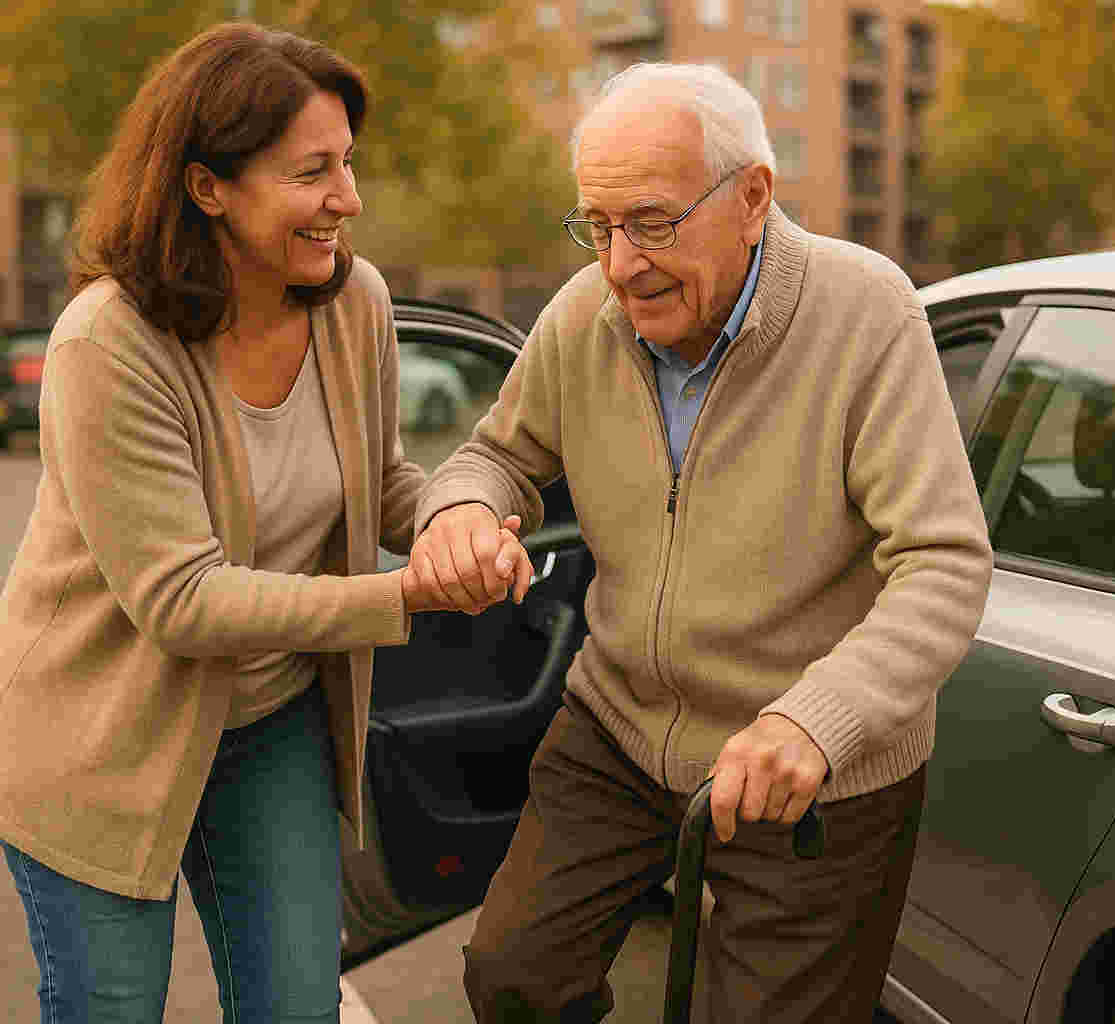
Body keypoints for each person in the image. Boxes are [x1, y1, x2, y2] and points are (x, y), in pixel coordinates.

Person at [407, 62, 994, 1022]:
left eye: (651, 221)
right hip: (621, 730)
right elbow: (492, 455)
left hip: (813, 766)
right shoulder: (579, 319)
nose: (618, 264)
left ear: (753, 196)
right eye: (596, 227)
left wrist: (816, 720)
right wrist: (461, 511)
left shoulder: (868, 313)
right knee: (512, 977)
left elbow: (944, 563)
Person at [0, 23, 527, 1024]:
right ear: (207, 187)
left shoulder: (354, 301)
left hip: (266, 725)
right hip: (97, 740)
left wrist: (462, 514)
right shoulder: (109, 343)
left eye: (347, 164)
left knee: (296, 1006)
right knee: (112, 1008)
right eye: (313, 171)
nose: (349, 200)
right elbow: (183, 600)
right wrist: (410, 593)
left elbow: (381, 476)